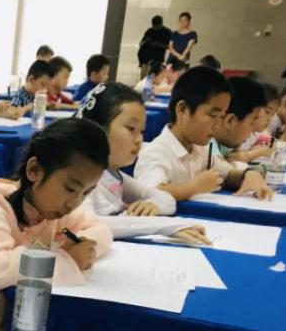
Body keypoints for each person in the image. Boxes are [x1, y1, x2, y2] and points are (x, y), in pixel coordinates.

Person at [0, 118, 111, 331]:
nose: (74, 203)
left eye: (86, 193)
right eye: (70, 188)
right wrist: (66, 258)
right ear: (34, 171)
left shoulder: (53, 210)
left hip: (28, 330)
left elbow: (101, 230)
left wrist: (85, 246)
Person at [77, 82, 209, 245]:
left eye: (142, 131)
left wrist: (152, 205)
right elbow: (87, 222)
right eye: (131, 128)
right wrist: (164, 226)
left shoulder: (113, 175)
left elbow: (167, 200)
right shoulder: (78, 174)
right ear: (97, 128)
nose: (139, 139)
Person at [134, 66, 272, 203]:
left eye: (221, 116)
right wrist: (193, 188)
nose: (217, 124)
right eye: (213, 115)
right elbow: (149, 193)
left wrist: (249, 175)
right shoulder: (156, 153)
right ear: (182, 110)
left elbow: (228, 173)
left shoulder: (200, 150)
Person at [212, 76, 270, 167]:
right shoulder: (206, 146)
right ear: (230, 121)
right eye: (251, 123)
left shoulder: (222, 143)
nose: (253, 130)